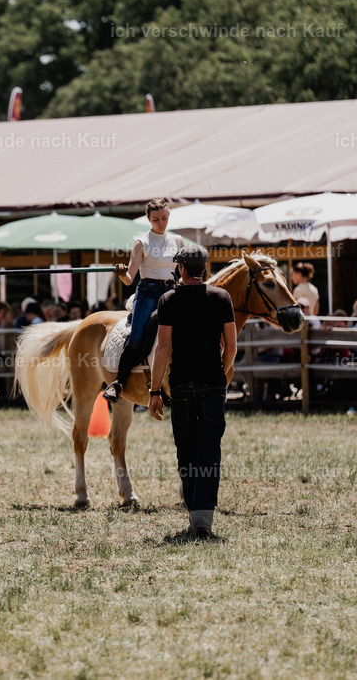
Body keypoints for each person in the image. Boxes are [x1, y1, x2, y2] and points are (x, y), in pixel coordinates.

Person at [147, 244, 236, 539]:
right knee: (210, 450)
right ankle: (203, 518)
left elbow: (162, 348)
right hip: (213, 384)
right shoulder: (222, 297)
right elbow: (232, 346)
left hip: (181, 385)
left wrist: (155, 389)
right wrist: (220, 377)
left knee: (186, 451)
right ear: (204, 268)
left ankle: (193, 513)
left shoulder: (168, 299)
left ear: (182, 269)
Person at [104, 198, 185, 403]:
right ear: (149, 219)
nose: (161, 222)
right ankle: (118, 383)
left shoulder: (178, 242)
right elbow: (130, 278)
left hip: (172, 291)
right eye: (156, 219)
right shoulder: (142, 243)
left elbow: (183, 273)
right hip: (148, 292)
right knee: (137, 336)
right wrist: (121, 273)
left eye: (165, 218)